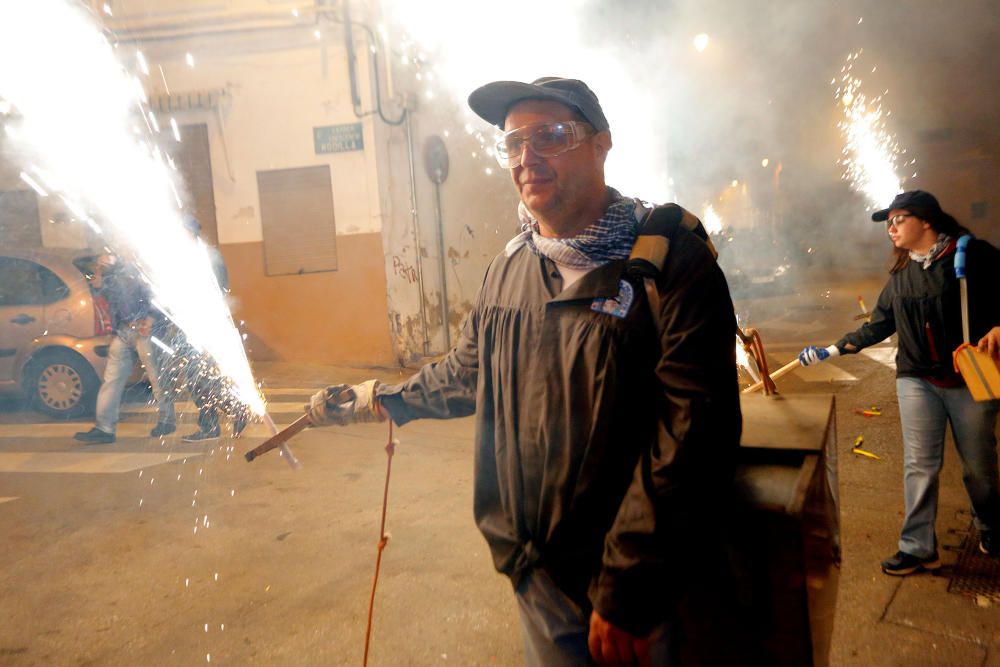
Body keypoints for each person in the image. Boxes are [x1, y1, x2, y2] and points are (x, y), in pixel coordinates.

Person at [306, 77, 744, 665]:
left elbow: (694, 434)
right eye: (513, 143)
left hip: (628, 585)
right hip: (534, 570)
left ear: (601, 144)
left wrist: (628, 585)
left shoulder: (668, 264)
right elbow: (470, 370)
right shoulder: (510, 266)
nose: (526, 158)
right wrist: (383, 399)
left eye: (550, 136)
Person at [798, 190, 1000, 575]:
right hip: (916, 379)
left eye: (898, 219)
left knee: (979, 467)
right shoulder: (902, 272)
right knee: (920, 464)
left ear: (926, 220)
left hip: (967, 379)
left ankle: (991, 525)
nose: (891, 228)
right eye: (887, 223)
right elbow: (878, 324)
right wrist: (831, 350)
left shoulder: (972, 255)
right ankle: (918, 547)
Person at [159, 215, 247, 442]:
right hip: (191, 326)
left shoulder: (208, 258)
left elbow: (217, 294)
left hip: (205, 327)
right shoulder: (186, 257)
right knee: (199, 378)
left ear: (190, 233)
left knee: (199, 378)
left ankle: (221, 418)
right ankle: (229, 411)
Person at [74, 253, 176, 444]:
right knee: (112, 378)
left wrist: (151, 320)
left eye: (102, 266)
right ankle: (104, 428)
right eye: (98, 266)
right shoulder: (111, 278)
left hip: (145, 329)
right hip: (125, 330)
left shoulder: (133, 272)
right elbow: (112, 301)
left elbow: (155, 295)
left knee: (156, 377)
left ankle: (167, 419)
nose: (98, 269)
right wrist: (99, 283)